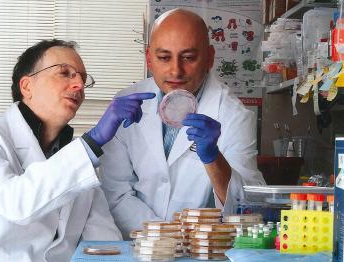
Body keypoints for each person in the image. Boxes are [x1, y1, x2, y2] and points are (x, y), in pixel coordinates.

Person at [100, 8, 266, 239]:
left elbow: (248, 204)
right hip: (140, 245)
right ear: (149, 58)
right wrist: (164, 238)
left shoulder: (234, 114)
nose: (176, 70)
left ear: (209, 58)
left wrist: (213, 158)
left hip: (201, 248)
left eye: (188, 58)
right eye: (164, 57)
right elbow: (115, 192)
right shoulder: (125, 105)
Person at [0, 39, 155, 261]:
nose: (79, 84)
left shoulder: (78, 160)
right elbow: (15, 203)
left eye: (82, 77)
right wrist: (93, 141)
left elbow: (104, 241)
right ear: (27, 86)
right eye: (65, 73)